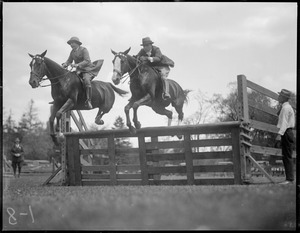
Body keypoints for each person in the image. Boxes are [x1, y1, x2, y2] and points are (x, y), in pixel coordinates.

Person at [62, 36, 95, 109]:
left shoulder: (84, 50)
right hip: (78, 71)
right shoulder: (72, 52)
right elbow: (69, 61)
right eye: (70, 43)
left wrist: (77, 65)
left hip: (86, 70)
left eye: (72, 43)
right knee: (68, 79)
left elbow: (87, 61)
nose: (71, 45)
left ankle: (88, 100)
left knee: (86, 80)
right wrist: (65, 64)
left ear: (77, 43)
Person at [275, 89, 295, 184]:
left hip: (286, 132)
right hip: (287, 132)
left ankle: (289, 179)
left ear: (283, 97)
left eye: (280, 96)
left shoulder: (286, 108)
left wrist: (279, 134)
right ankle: (289, 178)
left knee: (287, 156)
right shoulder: (286, 107)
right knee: (286, 155)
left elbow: (284, 123)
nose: (278, 97)